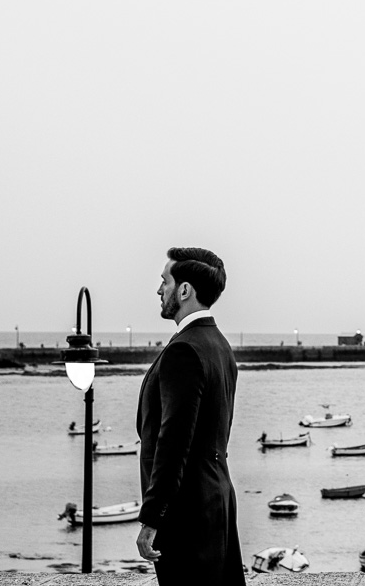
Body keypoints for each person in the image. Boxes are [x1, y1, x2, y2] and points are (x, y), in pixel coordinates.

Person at [135, 247, 245, 586]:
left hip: (186, 513)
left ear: (184, 291)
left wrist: (152, 518)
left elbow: (174, 442)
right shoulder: (220, 345)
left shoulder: (184, 350)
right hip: (217, 501)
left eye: (164, 282)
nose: (159, 290)